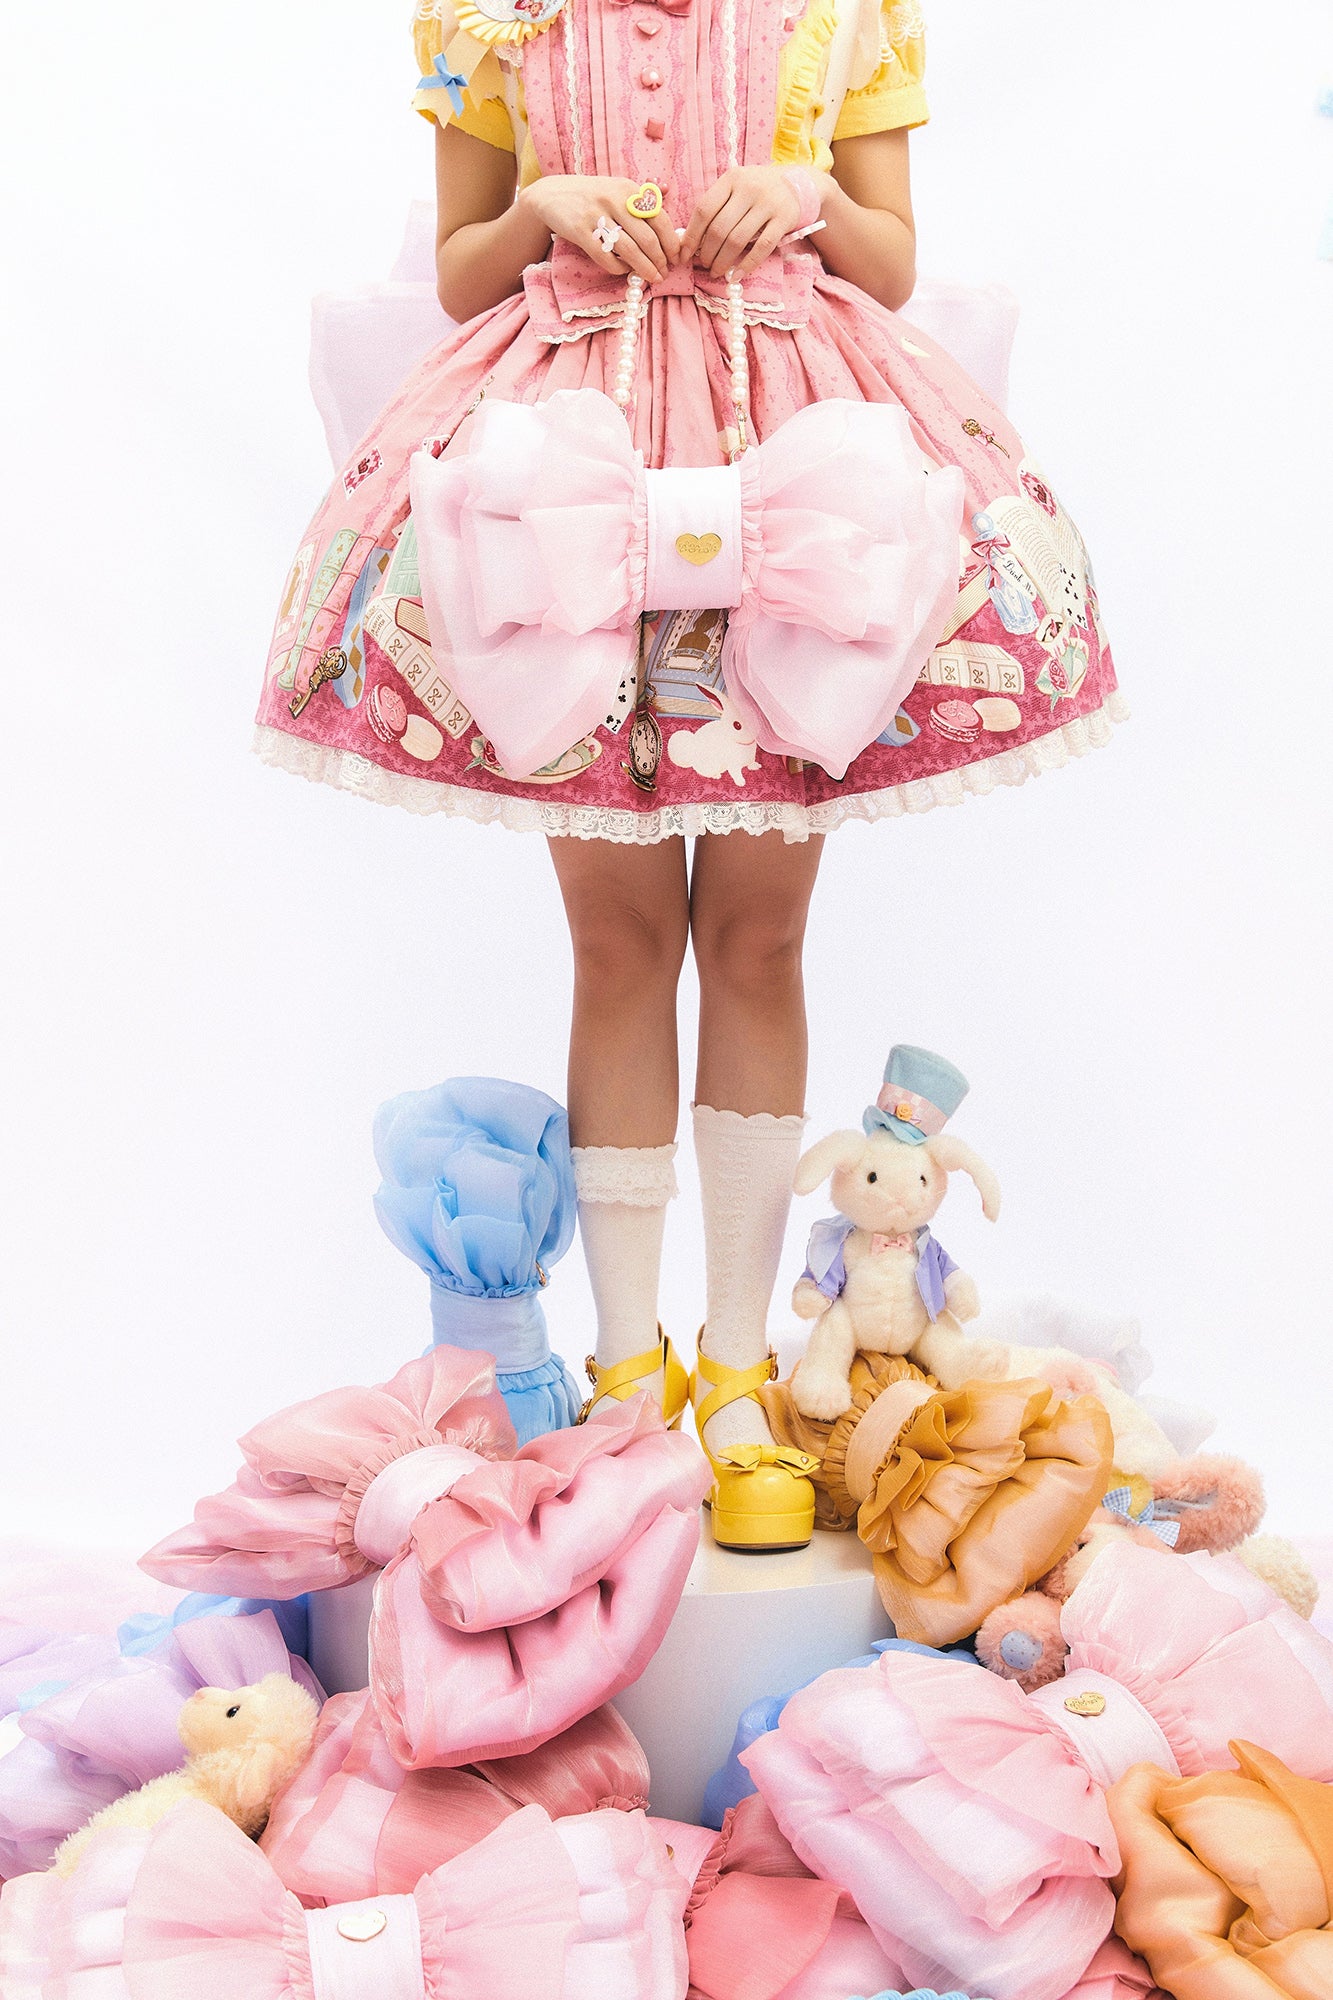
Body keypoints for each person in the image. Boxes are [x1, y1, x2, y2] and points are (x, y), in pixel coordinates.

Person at [254, 0, 1121, 1553]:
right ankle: (623, 1367)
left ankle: (733, 1366)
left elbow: (887, 260)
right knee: (615, 940)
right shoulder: (493, 18)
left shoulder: (842, 14)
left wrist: (806, 196)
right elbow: (461, 271)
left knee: (759, 937)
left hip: (790, 435)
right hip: (565, 447)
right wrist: (538, 206)